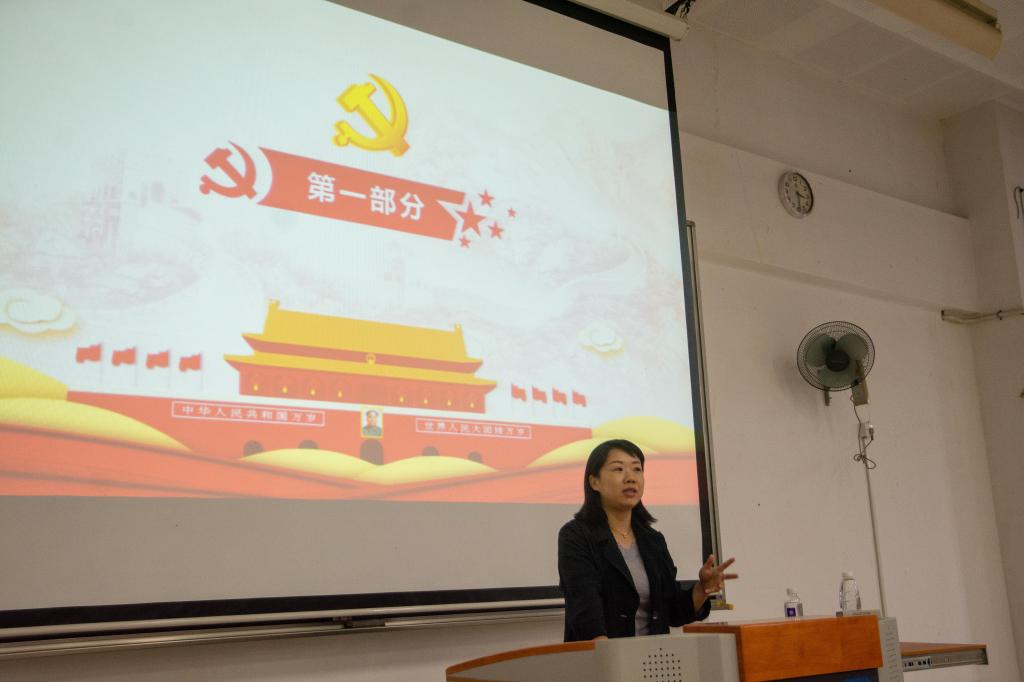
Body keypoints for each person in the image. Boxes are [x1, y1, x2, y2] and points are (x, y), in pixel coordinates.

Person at [558, 439, 737, 641]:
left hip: (654, 657)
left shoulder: (653, 540)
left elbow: (672, 611)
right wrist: (610, 658)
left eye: (637, 469)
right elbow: (585, 609)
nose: (631, 478)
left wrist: (702, 589)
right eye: (618, 469)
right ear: (594, 482)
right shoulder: (576, 536)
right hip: (601, 656)